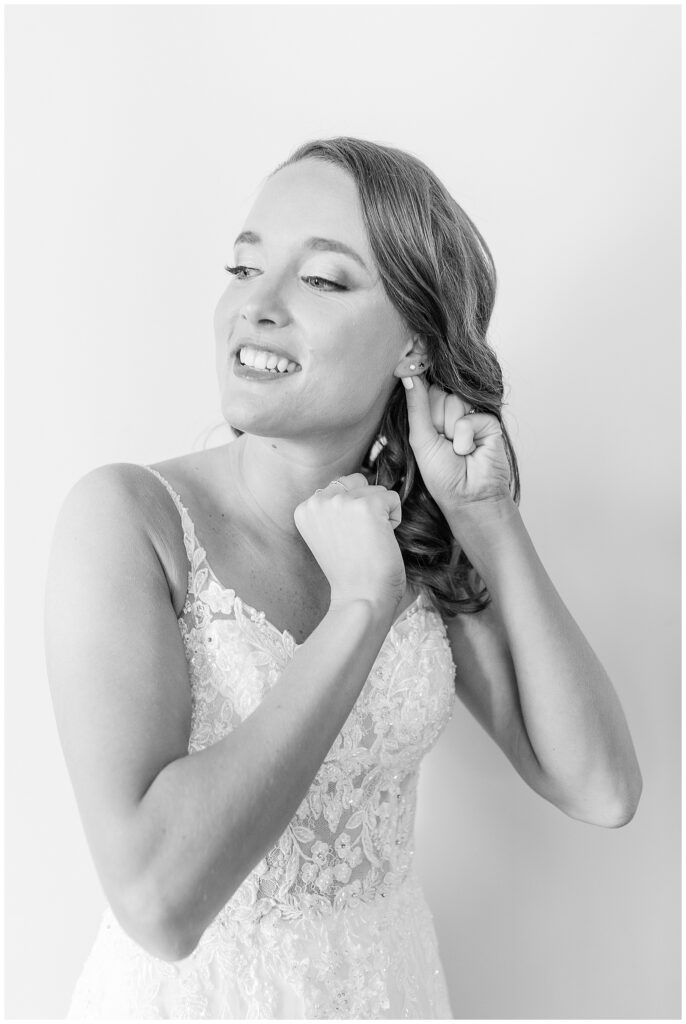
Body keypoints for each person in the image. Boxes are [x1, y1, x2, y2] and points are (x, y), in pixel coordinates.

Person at [45, 136, 643, 1020]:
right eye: (244, 266)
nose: (257, 305)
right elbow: (159, 904)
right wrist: (359, 609)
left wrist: (487, 518)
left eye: (321, 280)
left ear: (414, 341)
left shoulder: (418, 533)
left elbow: (600, 787)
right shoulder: (128, 520)